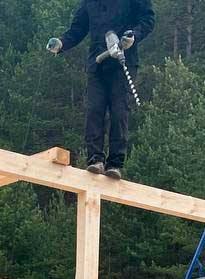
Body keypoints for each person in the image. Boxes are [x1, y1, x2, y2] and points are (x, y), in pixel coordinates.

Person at [48, 0, 157, 181]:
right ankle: (95, 158)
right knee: (94, 110)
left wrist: (133, 37)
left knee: (119, 111)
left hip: (123, 62)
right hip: (97, 63)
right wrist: (61, 43)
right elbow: (78, 28)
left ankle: (115, 163)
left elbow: (147, 19)